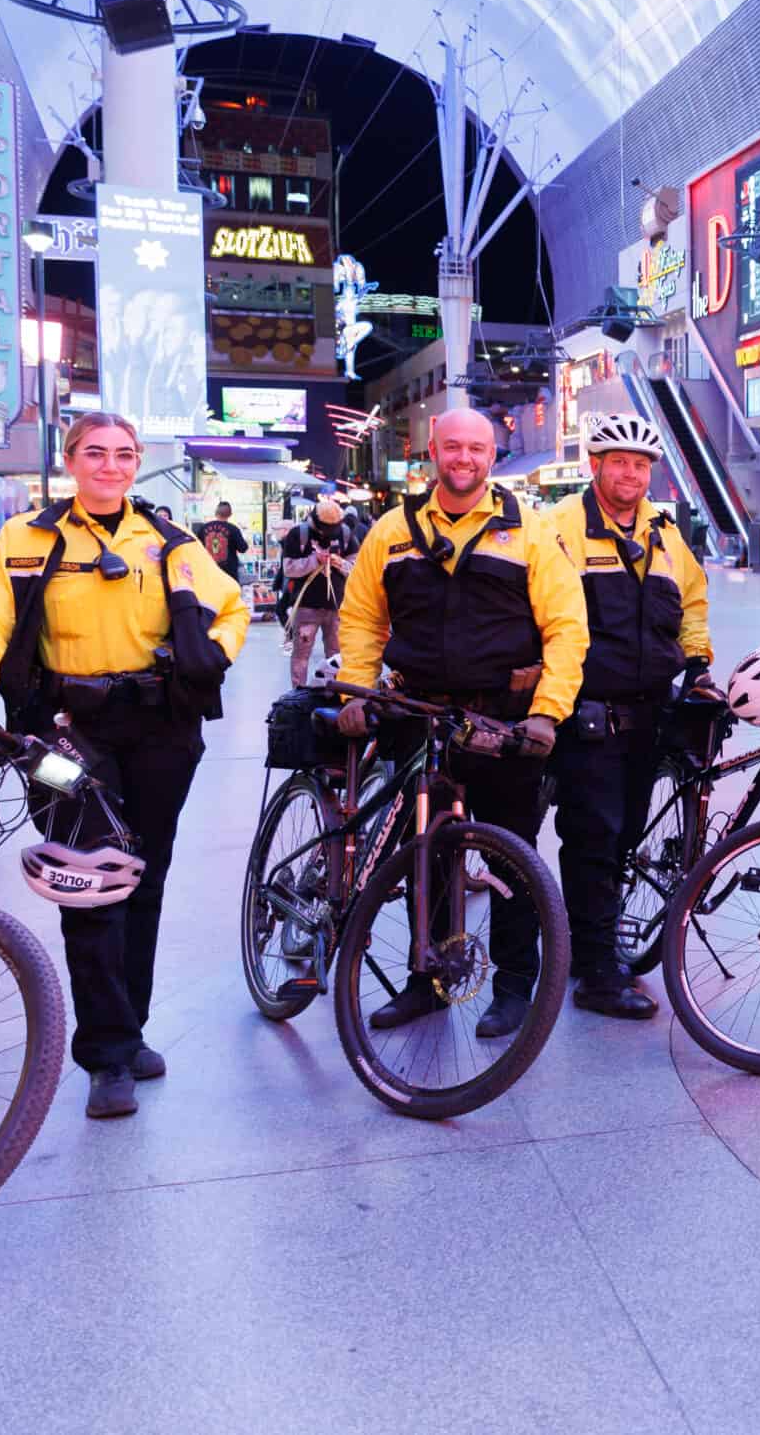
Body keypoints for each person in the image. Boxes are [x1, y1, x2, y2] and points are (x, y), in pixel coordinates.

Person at [0, 412, 248, 1119]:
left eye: (124, 455)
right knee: (87, 880)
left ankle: (128, 1028)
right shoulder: (27, 537)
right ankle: (106, 1054)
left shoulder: (169, 542)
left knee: (142, 876)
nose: (111, 466)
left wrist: (214, 653)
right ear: (72, 460)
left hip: (163, 729)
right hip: (63, 735)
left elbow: (231, 606)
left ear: (136, 464)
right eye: (97, 453)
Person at [339, 407, 588, 1042]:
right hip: (418, 718)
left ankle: (512, 989)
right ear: (431, 451)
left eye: (476, 448)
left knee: (513, 862)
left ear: (492, 454)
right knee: (426, 858)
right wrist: (363, 692)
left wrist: (547, 713)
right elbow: (365, 620)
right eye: (452, 447)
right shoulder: (391, 532)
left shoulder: (529, 532)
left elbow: (566, 630)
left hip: (504, 723)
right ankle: (430, 981)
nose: (464, 458)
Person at [542, 412, 711, 1021]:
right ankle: (592, 971)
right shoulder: (559, 527)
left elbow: (692, 601)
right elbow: (541, 611)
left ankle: (593, 942)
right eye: (619, 463)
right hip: (587, 716)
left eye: (641, 465)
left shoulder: (665, 533)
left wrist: (697, 664)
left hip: (649, 717)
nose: (631, 474)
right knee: (592, 840)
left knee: (624, 840)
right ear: (595, 467)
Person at [277, 497, 360, 686]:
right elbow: (289, 568)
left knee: (337, 656)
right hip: (306, 606)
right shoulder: (298, 535)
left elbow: (356, 568)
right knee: (301, 655)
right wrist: (314, 561)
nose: (329, 533)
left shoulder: (345, 534)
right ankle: (298, 695)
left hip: (338, 606)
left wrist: (340, 563)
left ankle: (338, 692)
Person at [198, 500, 248, 582]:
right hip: (229, 574)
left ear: (216, 513)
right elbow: (243, 548)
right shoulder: (233, 529)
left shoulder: (203, 528)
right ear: (230, 514)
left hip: (209, 572)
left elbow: (197, 548)